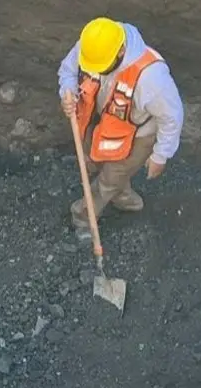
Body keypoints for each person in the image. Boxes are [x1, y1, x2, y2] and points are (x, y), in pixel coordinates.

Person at [58, 17, 184, 238]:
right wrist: (67, 92)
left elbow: (172, 117)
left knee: (109, 180)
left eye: (102, 68)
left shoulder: (152, 78)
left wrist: (160, 155)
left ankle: (82, 217)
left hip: (138, 134)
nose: (96, 71)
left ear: (121, 52)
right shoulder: (93, 46)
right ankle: (123, 197)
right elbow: (68, 71)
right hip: (104, 120)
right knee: (96, 162)